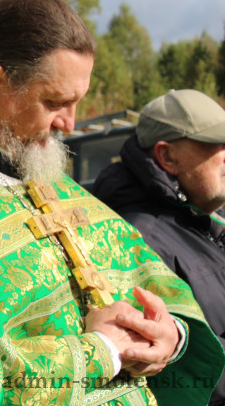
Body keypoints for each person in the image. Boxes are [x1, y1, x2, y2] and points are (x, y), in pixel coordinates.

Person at [0, 0, 225, 404]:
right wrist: (102, 352)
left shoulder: (45, 174)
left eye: (78, 102)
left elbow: (154, 281)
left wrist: (171, 335)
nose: (70, 124)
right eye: (55, 102)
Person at [93, 89, 225, 405]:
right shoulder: (141, 238)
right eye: (214, 144)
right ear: (167, 157)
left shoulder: (202, 219)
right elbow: (176, 370)